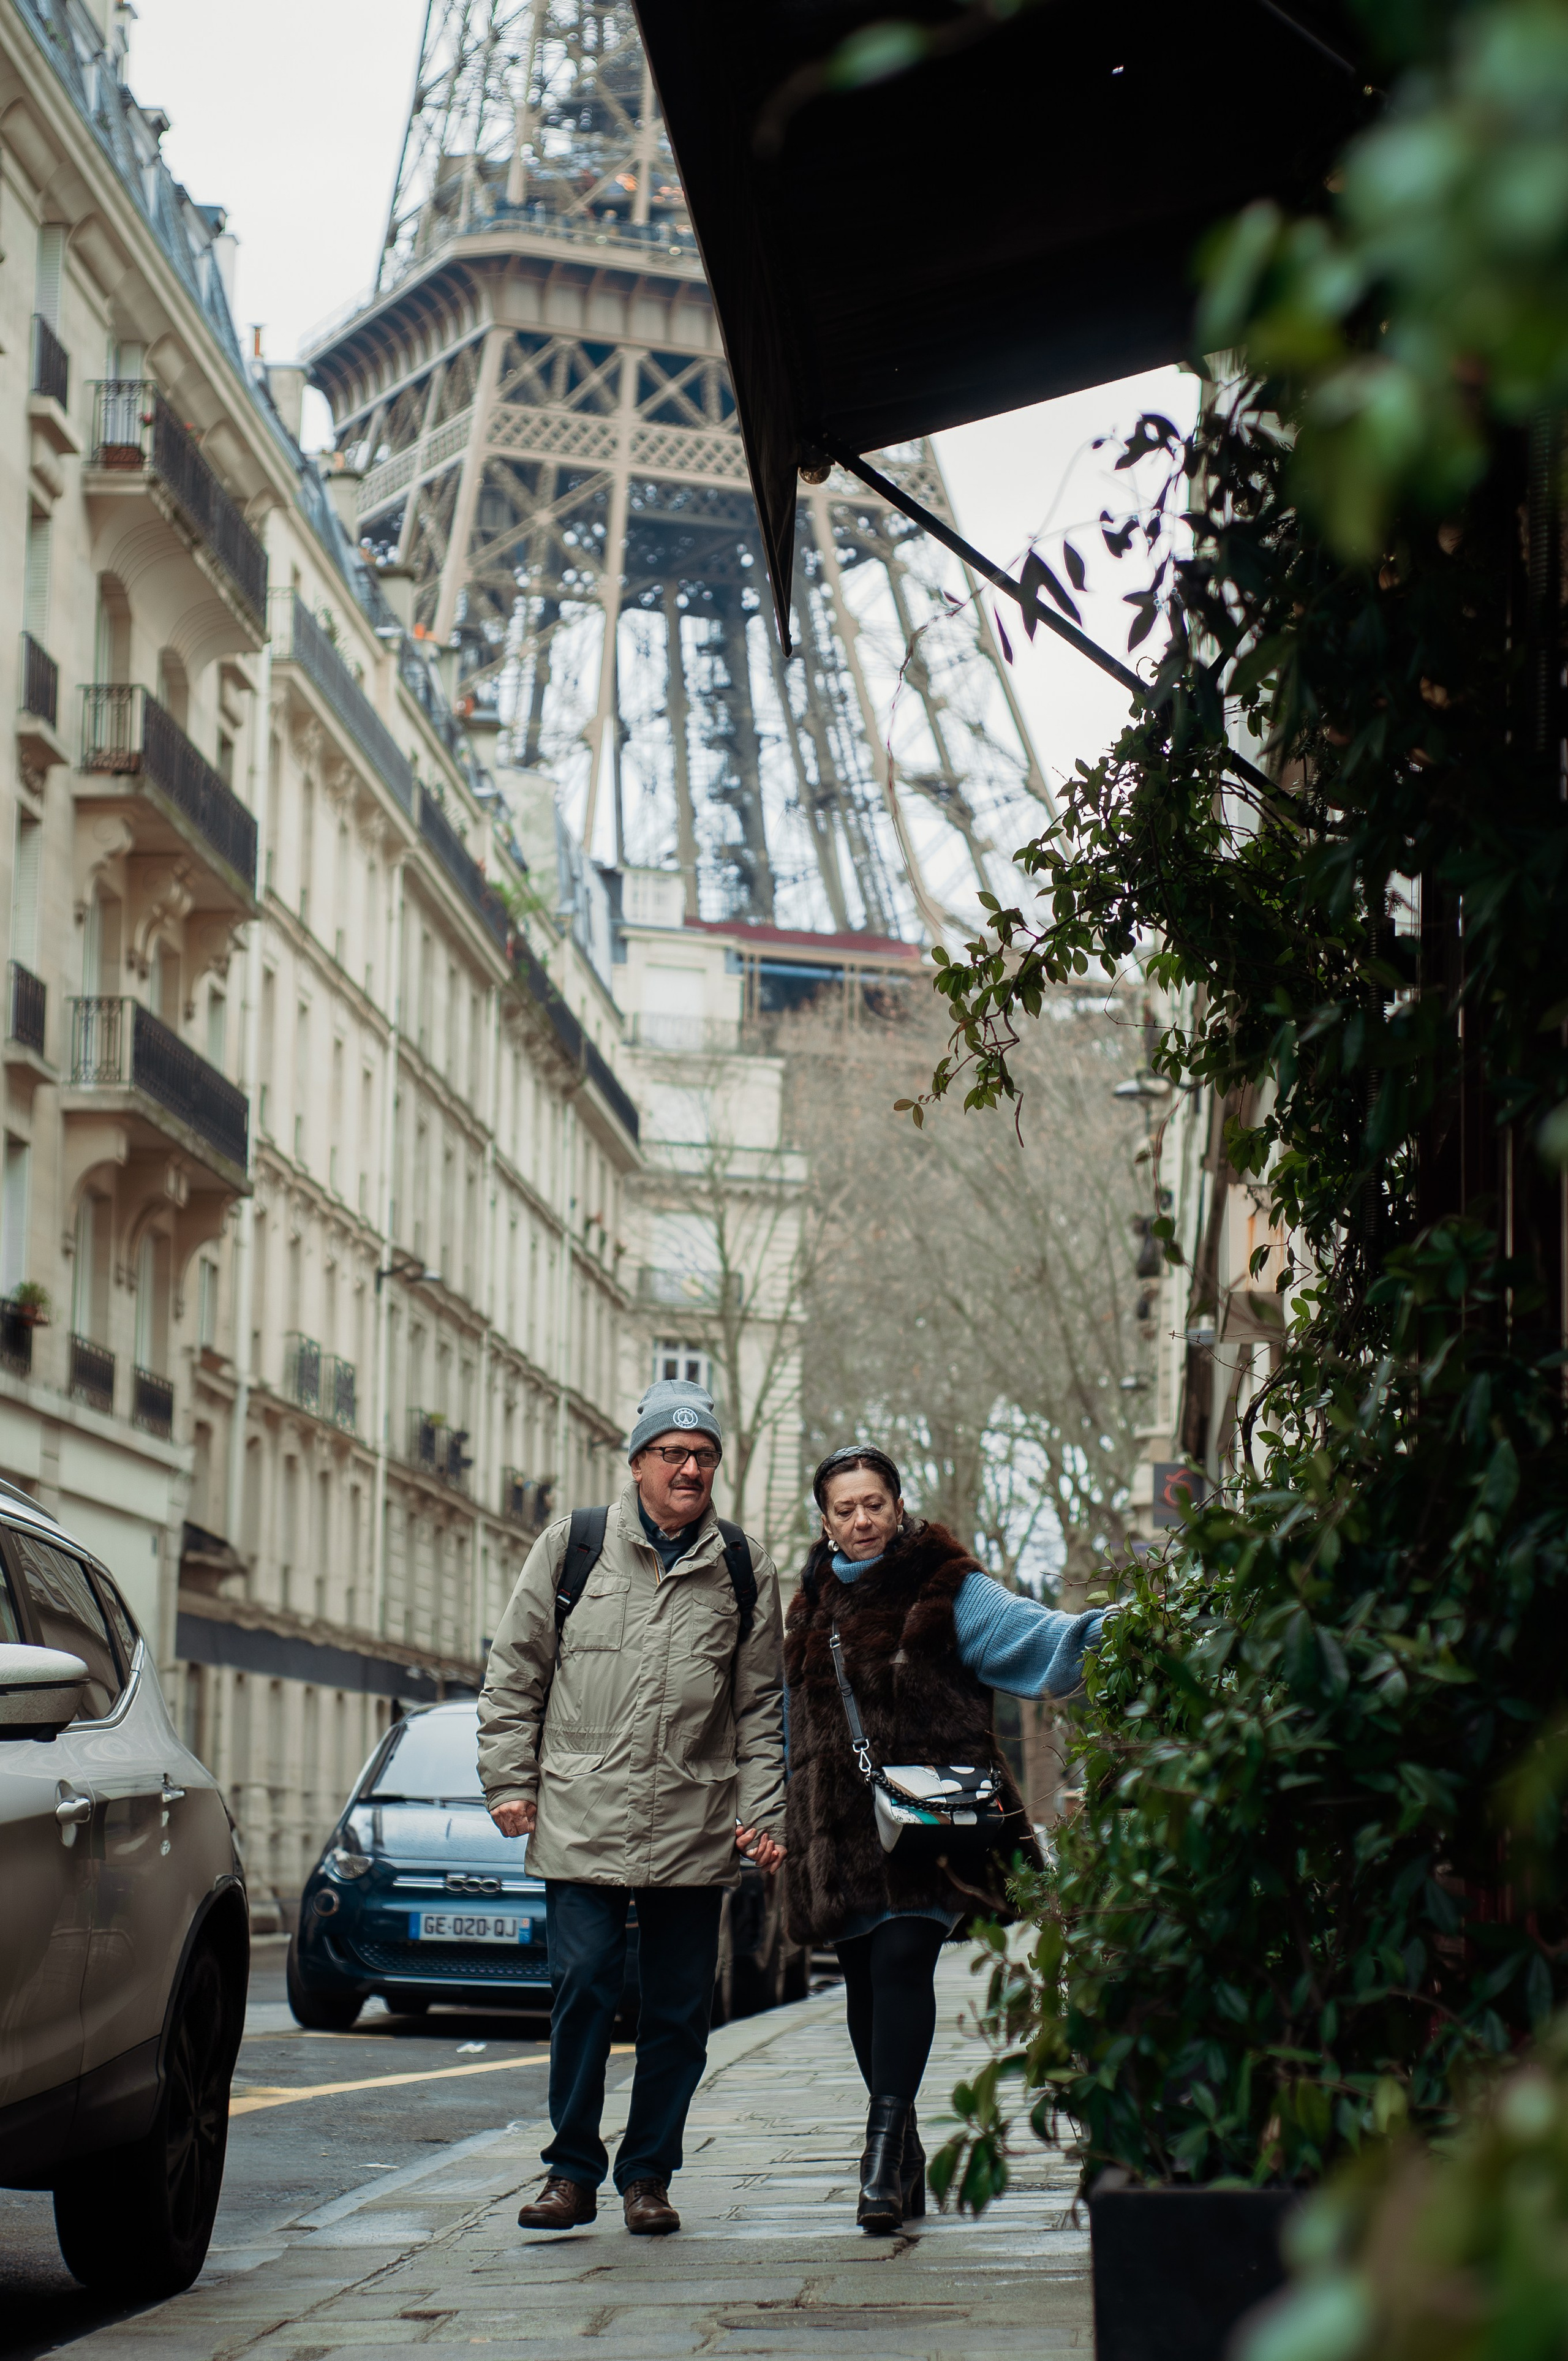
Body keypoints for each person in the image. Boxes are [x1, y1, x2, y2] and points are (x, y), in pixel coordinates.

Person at [478, 1376, 786, 2238]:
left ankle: (648, 2173)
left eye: (704, 1457)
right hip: (582, 1812)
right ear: (639, 1461)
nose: (691, 1469)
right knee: (582, 1986)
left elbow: (763, 1704)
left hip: (693, 1817)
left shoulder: (740, 1563)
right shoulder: (572, 1545)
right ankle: (571, 2172)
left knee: (681, 2009)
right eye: (674, 1454)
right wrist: (509, 1780)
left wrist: (765, 1811)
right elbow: (515, 1673)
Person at [783, 1444, 1109, 2233]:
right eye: (845, 1509)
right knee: (863, 1982)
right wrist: (768, 1816)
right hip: (839, 1830)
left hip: (929, 1826)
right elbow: (788, 1721)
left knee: (901, 1958)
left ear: (899, 1507)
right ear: (824, 1521)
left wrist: (1124, 1630)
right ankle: (907, 2152)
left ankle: (878, 2149)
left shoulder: (947, 1588)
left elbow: (1038, 1640)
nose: (862, 1520)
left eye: (875, 1504)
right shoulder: (810, 1604)